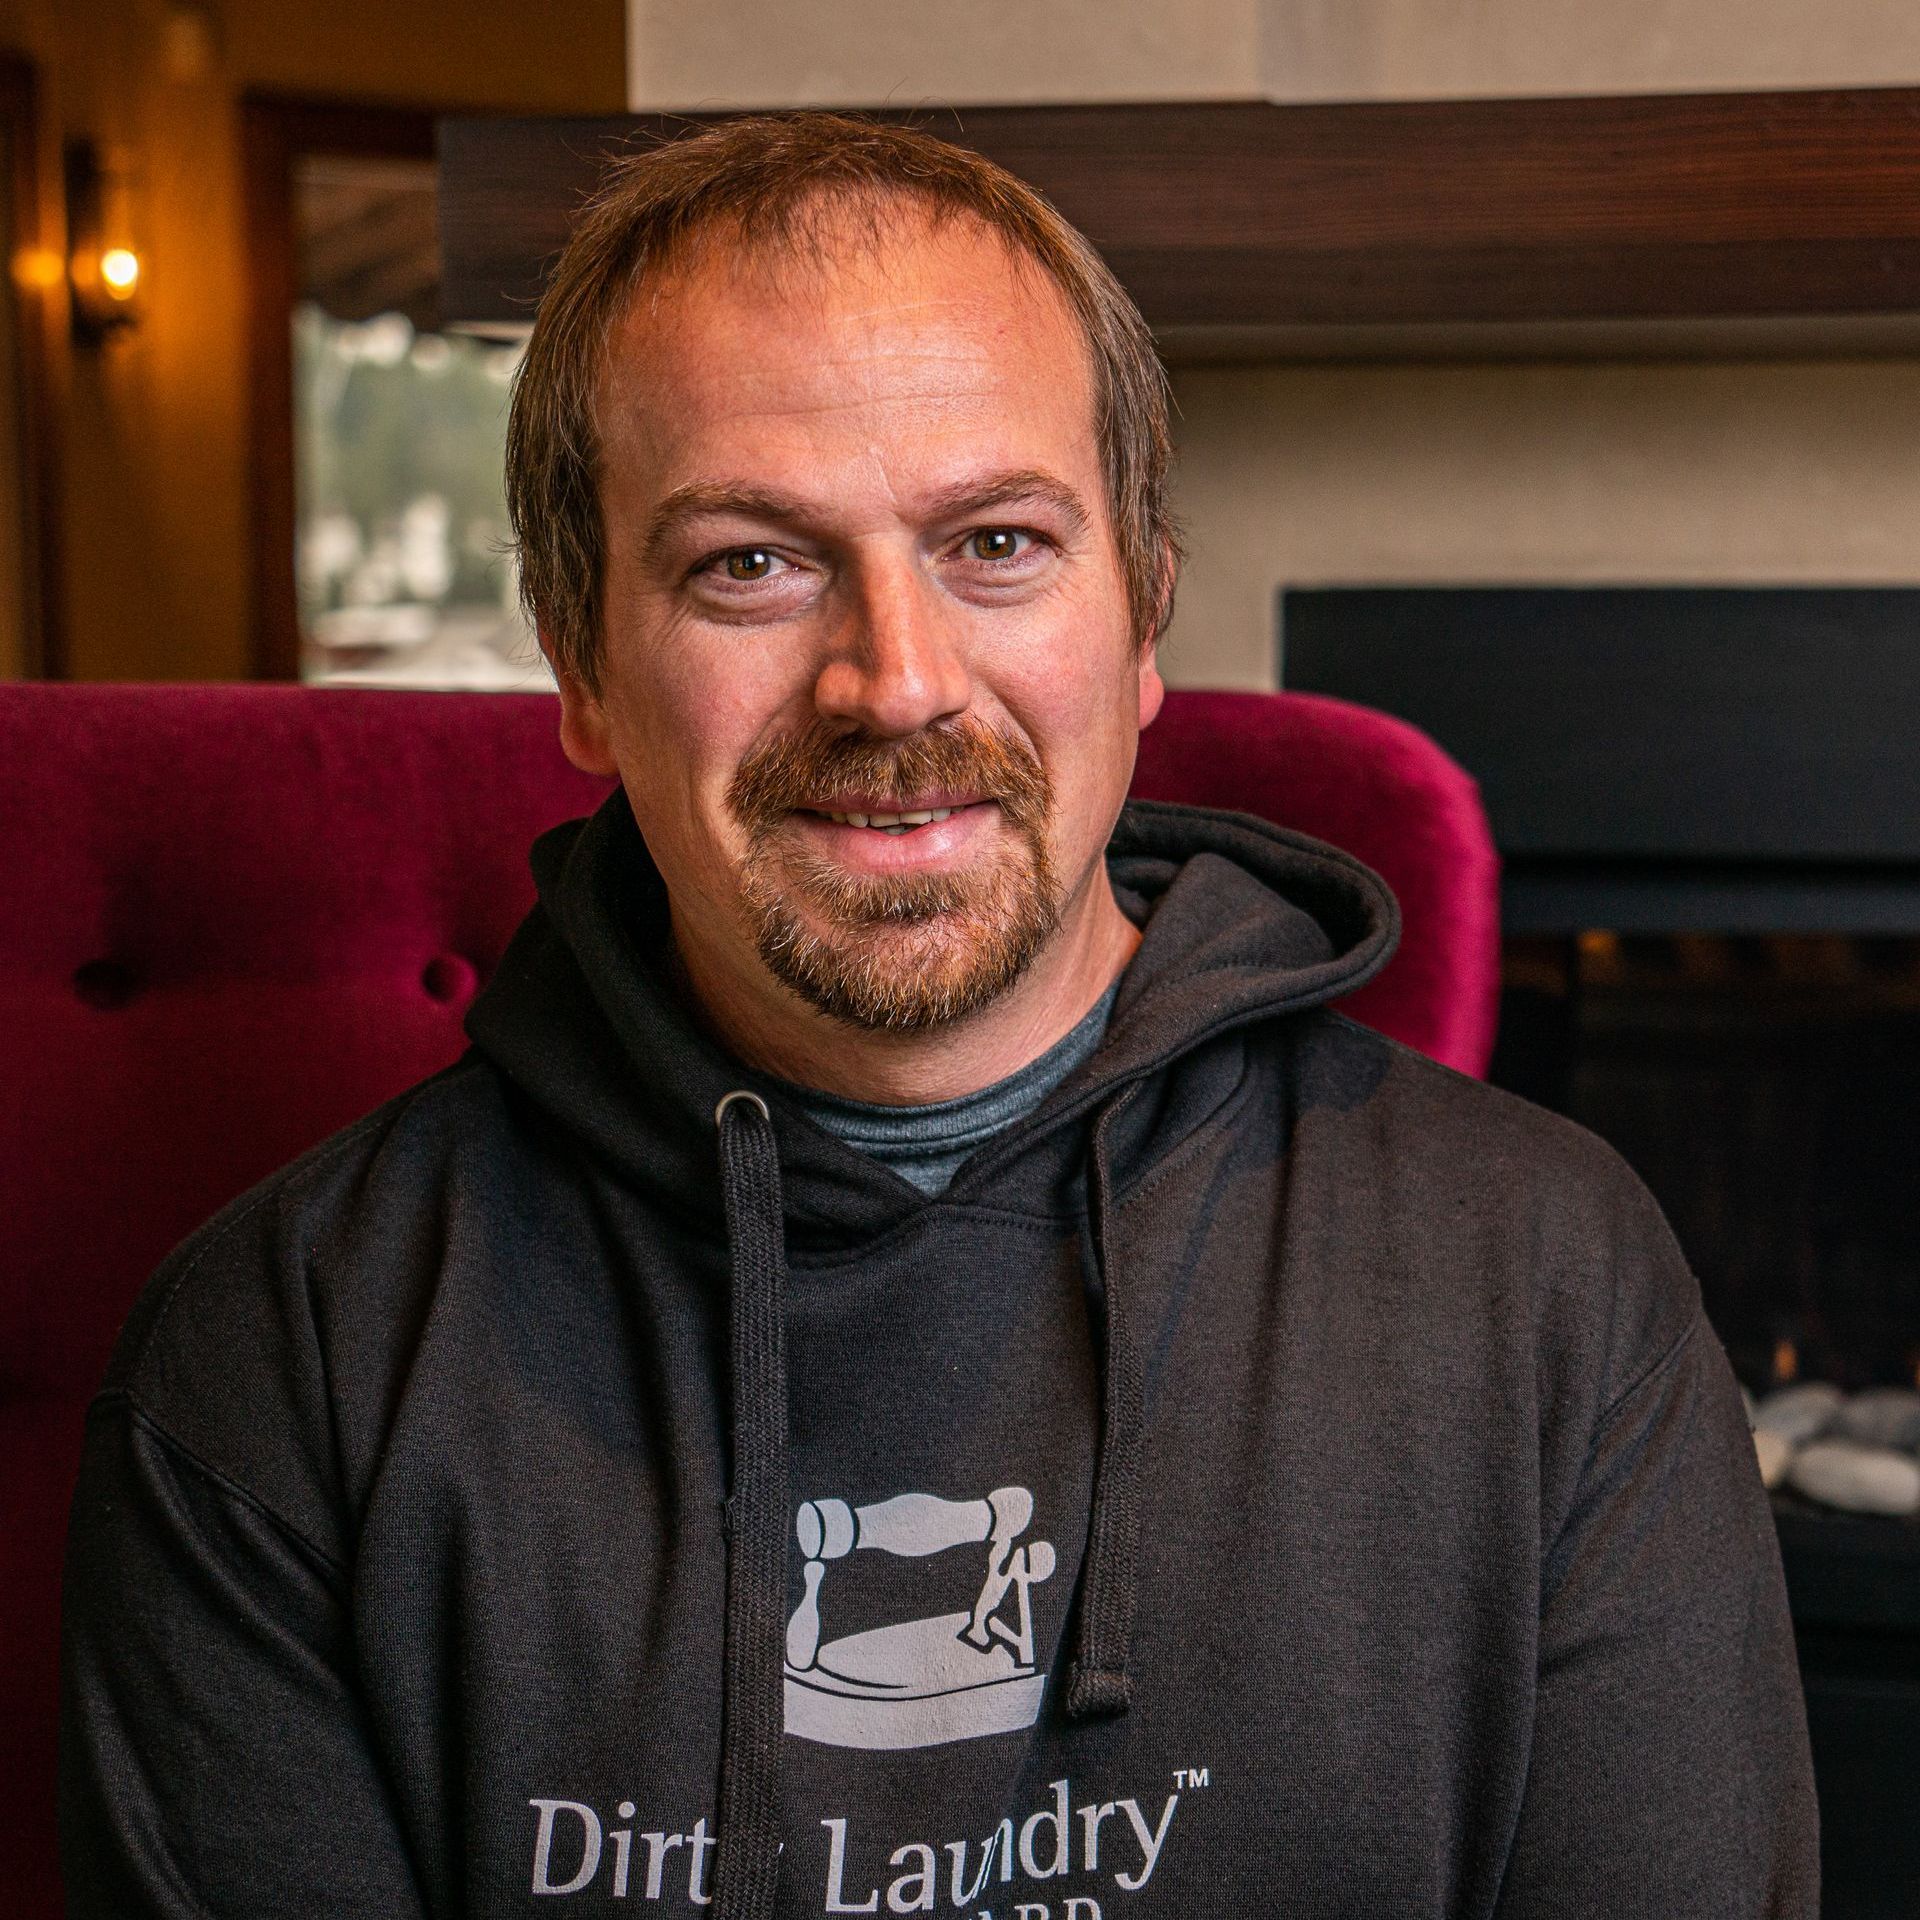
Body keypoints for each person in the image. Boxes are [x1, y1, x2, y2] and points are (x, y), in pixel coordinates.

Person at [60, 114, 1817, 1919]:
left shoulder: (1548, 1283)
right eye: (750, 561)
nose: (895, 678)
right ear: (580, 656)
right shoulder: (289, 1356)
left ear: (1143, 612)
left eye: (994, 540)